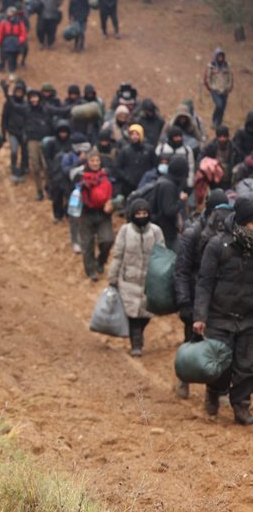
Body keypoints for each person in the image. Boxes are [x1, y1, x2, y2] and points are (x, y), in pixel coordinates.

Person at [192, 197, 253, 424]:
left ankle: (242, 406)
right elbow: (205, 282)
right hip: (220, 315)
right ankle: (213, 391)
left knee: (247, 366)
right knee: (222, 366)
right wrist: (200, 316)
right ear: (242, 222)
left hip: (248, 317)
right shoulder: (218, 245)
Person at [173, 189, 231, 399]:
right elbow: (181, 270)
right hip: (194, 296)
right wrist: (184, 303)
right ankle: (184, 377)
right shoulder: (193, 233)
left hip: (218, 299)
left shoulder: (228, 233)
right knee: (192, 340)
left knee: (218, 345)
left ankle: (214, 391)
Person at [107, 198, 165, 357]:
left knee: (146, 315)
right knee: (132, 315)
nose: (141, 216)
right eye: (138, 213)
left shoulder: (155, 231)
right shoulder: (125, 231)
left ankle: (138, 333)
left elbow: (162, 255)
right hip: (128, 280)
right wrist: (112, 277)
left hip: (149, 281)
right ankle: (136, 344)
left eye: (144, 213)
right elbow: (118, 255)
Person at [76, 153, 115, 281]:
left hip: (103, 213)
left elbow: (114, 191)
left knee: (108, 239)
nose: (95, 163)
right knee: (87, 244)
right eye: (92, 160)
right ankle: (91, 270)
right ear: (88, 162)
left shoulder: (105, 177)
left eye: (97, 160)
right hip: (86, 213)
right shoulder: (80, 177)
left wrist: (112, 202)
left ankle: (101, 261)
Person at [150, 155, 190, 248]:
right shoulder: (168, 186)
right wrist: (181, 200)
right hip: (166, 231)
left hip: (162, 228)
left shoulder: (164, 180)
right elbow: (169, 210)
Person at [114, 124, 156, 199]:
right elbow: (118, 167)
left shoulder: (149, 150)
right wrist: (127, 177)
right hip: (128, 185)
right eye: (132, 134)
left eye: (137, 134)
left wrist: (149, 176)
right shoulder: (124, 150)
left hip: (145, 184)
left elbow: (155, 165)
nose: (134, 137)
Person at [0, 79, 29, 182]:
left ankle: (24, 167)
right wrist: (3, 133)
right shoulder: (8, 103)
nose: (18, 94)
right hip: (13, 131)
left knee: (25, 151)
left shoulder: (26, 104)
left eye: (20, 92)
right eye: (17, 92)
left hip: (24, 131)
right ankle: (13, 167)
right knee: (14, 151)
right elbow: (4, 117)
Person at [203, 47, 233, 128]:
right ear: (216, 56)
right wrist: (211, 88)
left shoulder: (227, 66)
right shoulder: (211, 66)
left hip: (224, 90)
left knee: (222, 108)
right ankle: (214, 120)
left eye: (222, 56)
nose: (220, 58)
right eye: (219, 56)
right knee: (219, 105)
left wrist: (229, 87)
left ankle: (218, 123)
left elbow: (230, 77)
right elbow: (207, 78)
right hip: (215, 90)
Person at [0, 7, 26, 73]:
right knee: (7, 56)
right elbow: (0, 33)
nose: (8, 13)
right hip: (6, 41)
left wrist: (21, 40)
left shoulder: (19, 22)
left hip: (16, 41)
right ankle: (9, 69)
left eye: (10, 12)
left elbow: (23, 32)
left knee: (14, 56)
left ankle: (13, 68)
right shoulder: (3, 22)